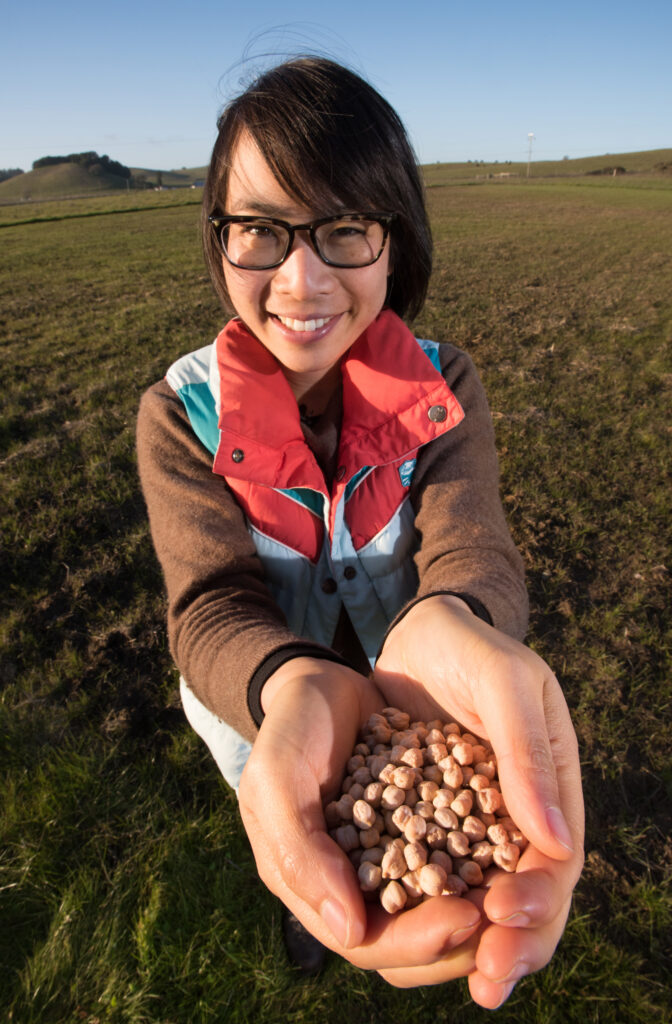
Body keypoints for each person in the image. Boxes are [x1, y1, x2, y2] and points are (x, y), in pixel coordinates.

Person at [136, 56, 584, 1008]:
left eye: (344, 229)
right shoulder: (183, 415)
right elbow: (211, 604)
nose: (302, 280)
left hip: (419, 698)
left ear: (395, 239)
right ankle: (308, 908)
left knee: (350, 832)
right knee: (294, 810)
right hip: (262, 709)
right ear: (217, 242)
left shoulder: (443, 384)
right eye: (260, 229)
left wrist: (456, 621)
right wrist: (288, 681)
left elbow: (474, 546)